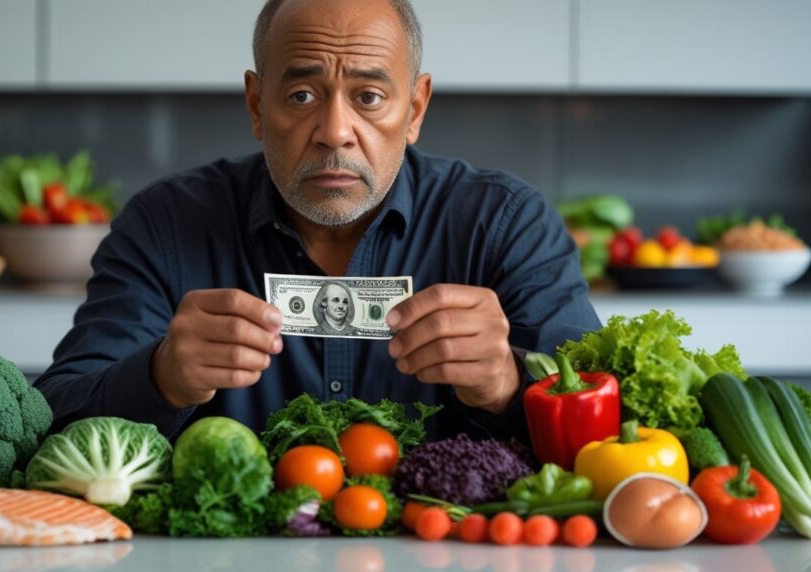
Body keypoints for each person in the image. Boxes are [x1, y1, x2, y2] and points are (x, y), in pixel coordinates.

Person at [34, 0, 601, 443]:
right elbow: (51, 419)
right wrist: (160, 378)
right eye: (302, 94)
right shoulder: (163, 225)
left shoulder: (508, 224)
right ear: (257, 106)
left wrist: (508, 384)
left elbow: (609, 431)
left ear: (416, 109)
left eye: (370, 96)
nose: (335, 129)